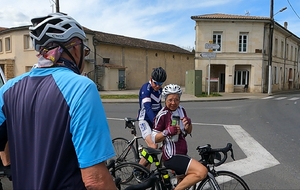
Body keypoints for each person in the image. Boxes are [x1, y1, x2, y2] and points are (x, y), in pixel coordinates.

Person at [0, 12, 117, 190]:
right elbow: (95, 180)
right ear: (75, 48)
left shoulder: (7, 90)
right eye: (85, 51)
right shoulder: (82, 88)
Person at [152, 84, 208, 190]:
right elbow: (154, 137)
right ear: (165, 99)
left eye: (176, 100)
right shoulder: (162, 115)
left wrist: (188, 125)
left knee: (183, 185)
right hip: (171, 156)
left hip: (182, 153)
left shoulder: (181, 110)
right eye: (170, 100)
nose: (173, 103)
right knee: (202, 172)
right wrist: (167, 132)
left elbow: (188, 131)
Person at [137, 67, 167, 168]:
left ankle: (146, 171)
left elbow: (160, 107)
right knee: (153, 146)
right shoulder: (146, 89)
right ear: (151, 79)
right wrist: (156, 121)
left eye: (160, 84)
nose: (158, 86)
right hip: (144, 120)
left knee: (165, 141)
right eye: (156, 83)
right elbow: (148, 108)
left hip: (154, 120)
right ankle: (138, 169)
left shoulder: (159, 90)